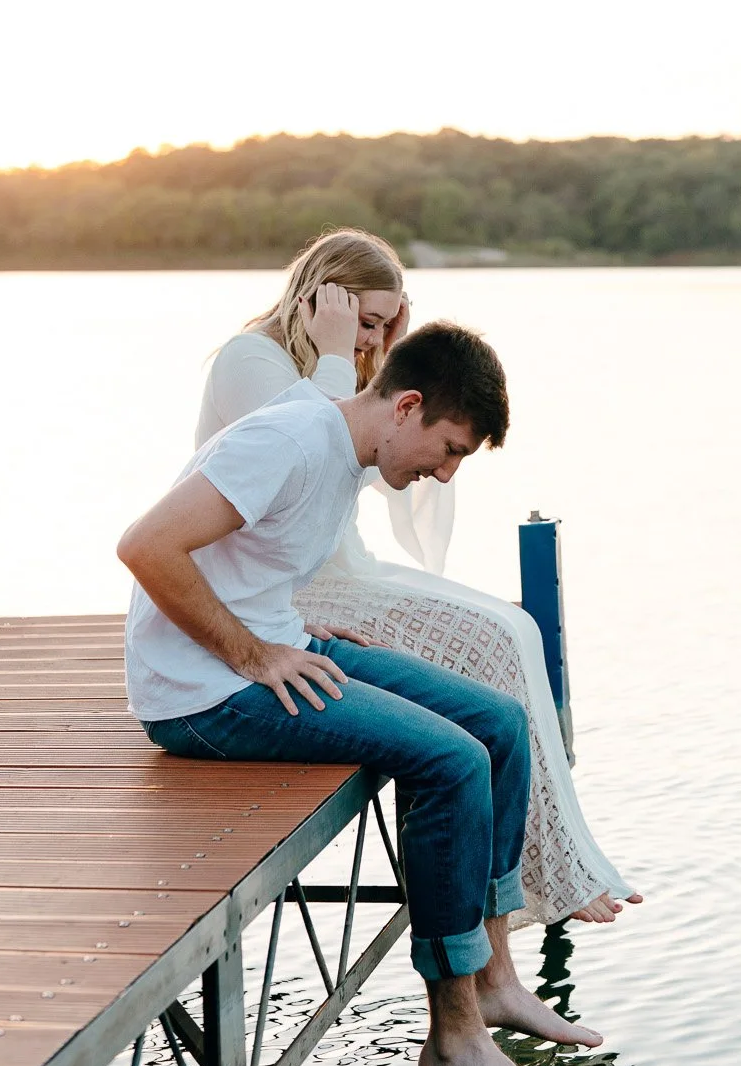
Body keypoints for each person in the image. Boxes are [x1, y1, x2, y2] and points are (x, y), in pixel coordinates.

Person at [119, 323, 602, 1066]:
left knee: (501, 725)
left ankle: (495, 981)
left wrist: (285, 627)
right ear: (406, 406)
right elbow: (146, 546)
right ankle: (454, 1038)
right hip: (200, 694)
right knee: (450, 762)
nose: (442, 473)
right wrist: (252, 652)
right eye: (447, 450)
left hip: (278, 644)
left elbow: (249, 560)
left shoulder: (344, 448)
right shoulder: (289, 441)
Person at [195, 229, 641, 926]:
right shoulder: (250, 358)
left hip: (335, 569)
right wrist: (343, 354)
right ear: (318, 298)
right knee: (488, 647)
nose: (371, 334)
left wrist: (375, 356)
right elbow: (297, 452)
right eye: (361, 319)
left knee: (512, 628)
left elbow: (388, 468)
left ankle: (552, 858)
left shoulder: (356, 371)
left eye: (384, 323)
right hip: (290, 589)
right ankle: (534, 879)